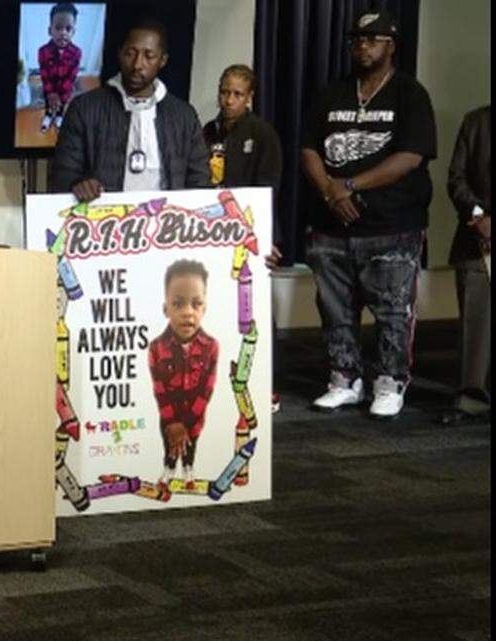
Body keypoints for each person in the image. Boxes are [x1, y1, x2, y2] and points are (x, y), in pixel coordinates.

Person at [300, 11, 436, 419]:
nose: (363, 45)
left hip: (392, 226)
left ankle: (390, 382)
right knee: (335, 309)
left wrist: (351, 186)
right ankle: (345, 379)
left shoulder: (410, 94)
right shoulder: (332, 93)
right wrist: (329, 190)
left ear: (391, 45)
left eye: (373, 39)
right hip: (330, 226)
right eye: (357, 39)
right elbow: (309, 149)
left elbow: (411, 157)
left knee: (393, 311)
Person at [52, 19, 210, 200]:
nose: (137, 65)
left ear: (163, 60)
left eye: (149, 56)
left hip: (166, 223)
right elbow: (62, 173)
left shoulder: (183, 116)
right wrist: (78, 184)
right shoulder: (84, 109)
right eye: (130, 53)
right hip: (105, 221)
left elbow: (200, 181)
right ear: (120, 54)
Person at [203, 64, 284, 412]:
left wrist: (263, 236)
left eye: (237, 94)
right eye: (225, 92)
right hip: (213, 231)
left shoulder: (263, 134)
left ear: (249, 97)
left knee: (255, 310)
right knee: (217, 305)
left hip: (251, 231)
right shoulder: (207, 132)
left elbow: (269, 189)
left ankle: (266, 382)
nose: (229, 100)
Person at [148, 260, 218, 491]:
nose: (188, 312)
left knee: (191, 444)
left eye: (196, 304)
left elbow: (207, 389)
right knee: (170, 445)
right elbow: (160, 390)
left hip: (194, 415)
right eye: (178, 304)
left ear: (204, 308)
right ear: (165, 308)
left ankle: (188, 472)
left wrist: (187, 423)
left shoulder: (211, 347)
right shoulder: (157, 348)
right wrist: (173, 422)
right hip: (169, 415)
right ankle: (168, 472)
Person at [440, 105, 490, 425]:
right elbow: (456, 179)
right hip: (478, 237)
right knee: (477, 325)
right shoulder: (476, 120)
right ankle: (472, 399)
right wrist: (478, 217)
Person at [38, 3, 81, 133]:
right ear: (50, 30)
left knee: (62, 104)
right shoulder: (43, 51)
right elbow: (44, 73)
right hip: (49, 88)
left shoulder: (76, 52)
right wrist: (51, 93)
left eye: (68, 29)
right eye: (58, 28)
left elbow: (72, 75)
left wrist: (61, 94)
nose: (63, 33)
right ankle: (49, 115)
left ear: (74, 32)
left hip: (64, 89)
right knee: (49, 103)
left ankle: (59, 116)